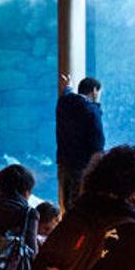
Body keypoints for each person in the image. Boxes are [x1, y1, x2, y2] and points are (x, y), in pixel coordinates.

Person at [56, 73, 105, 211]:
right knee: (80, 202)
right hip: (82, 164)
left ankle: (68, 228)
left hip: (64, 162)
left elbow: (67, 93)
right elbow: (97, 141)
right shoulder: (92, 109)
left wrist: (68, 86)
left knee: (66, 201)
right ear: (95, 90)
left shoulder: (63, 103)